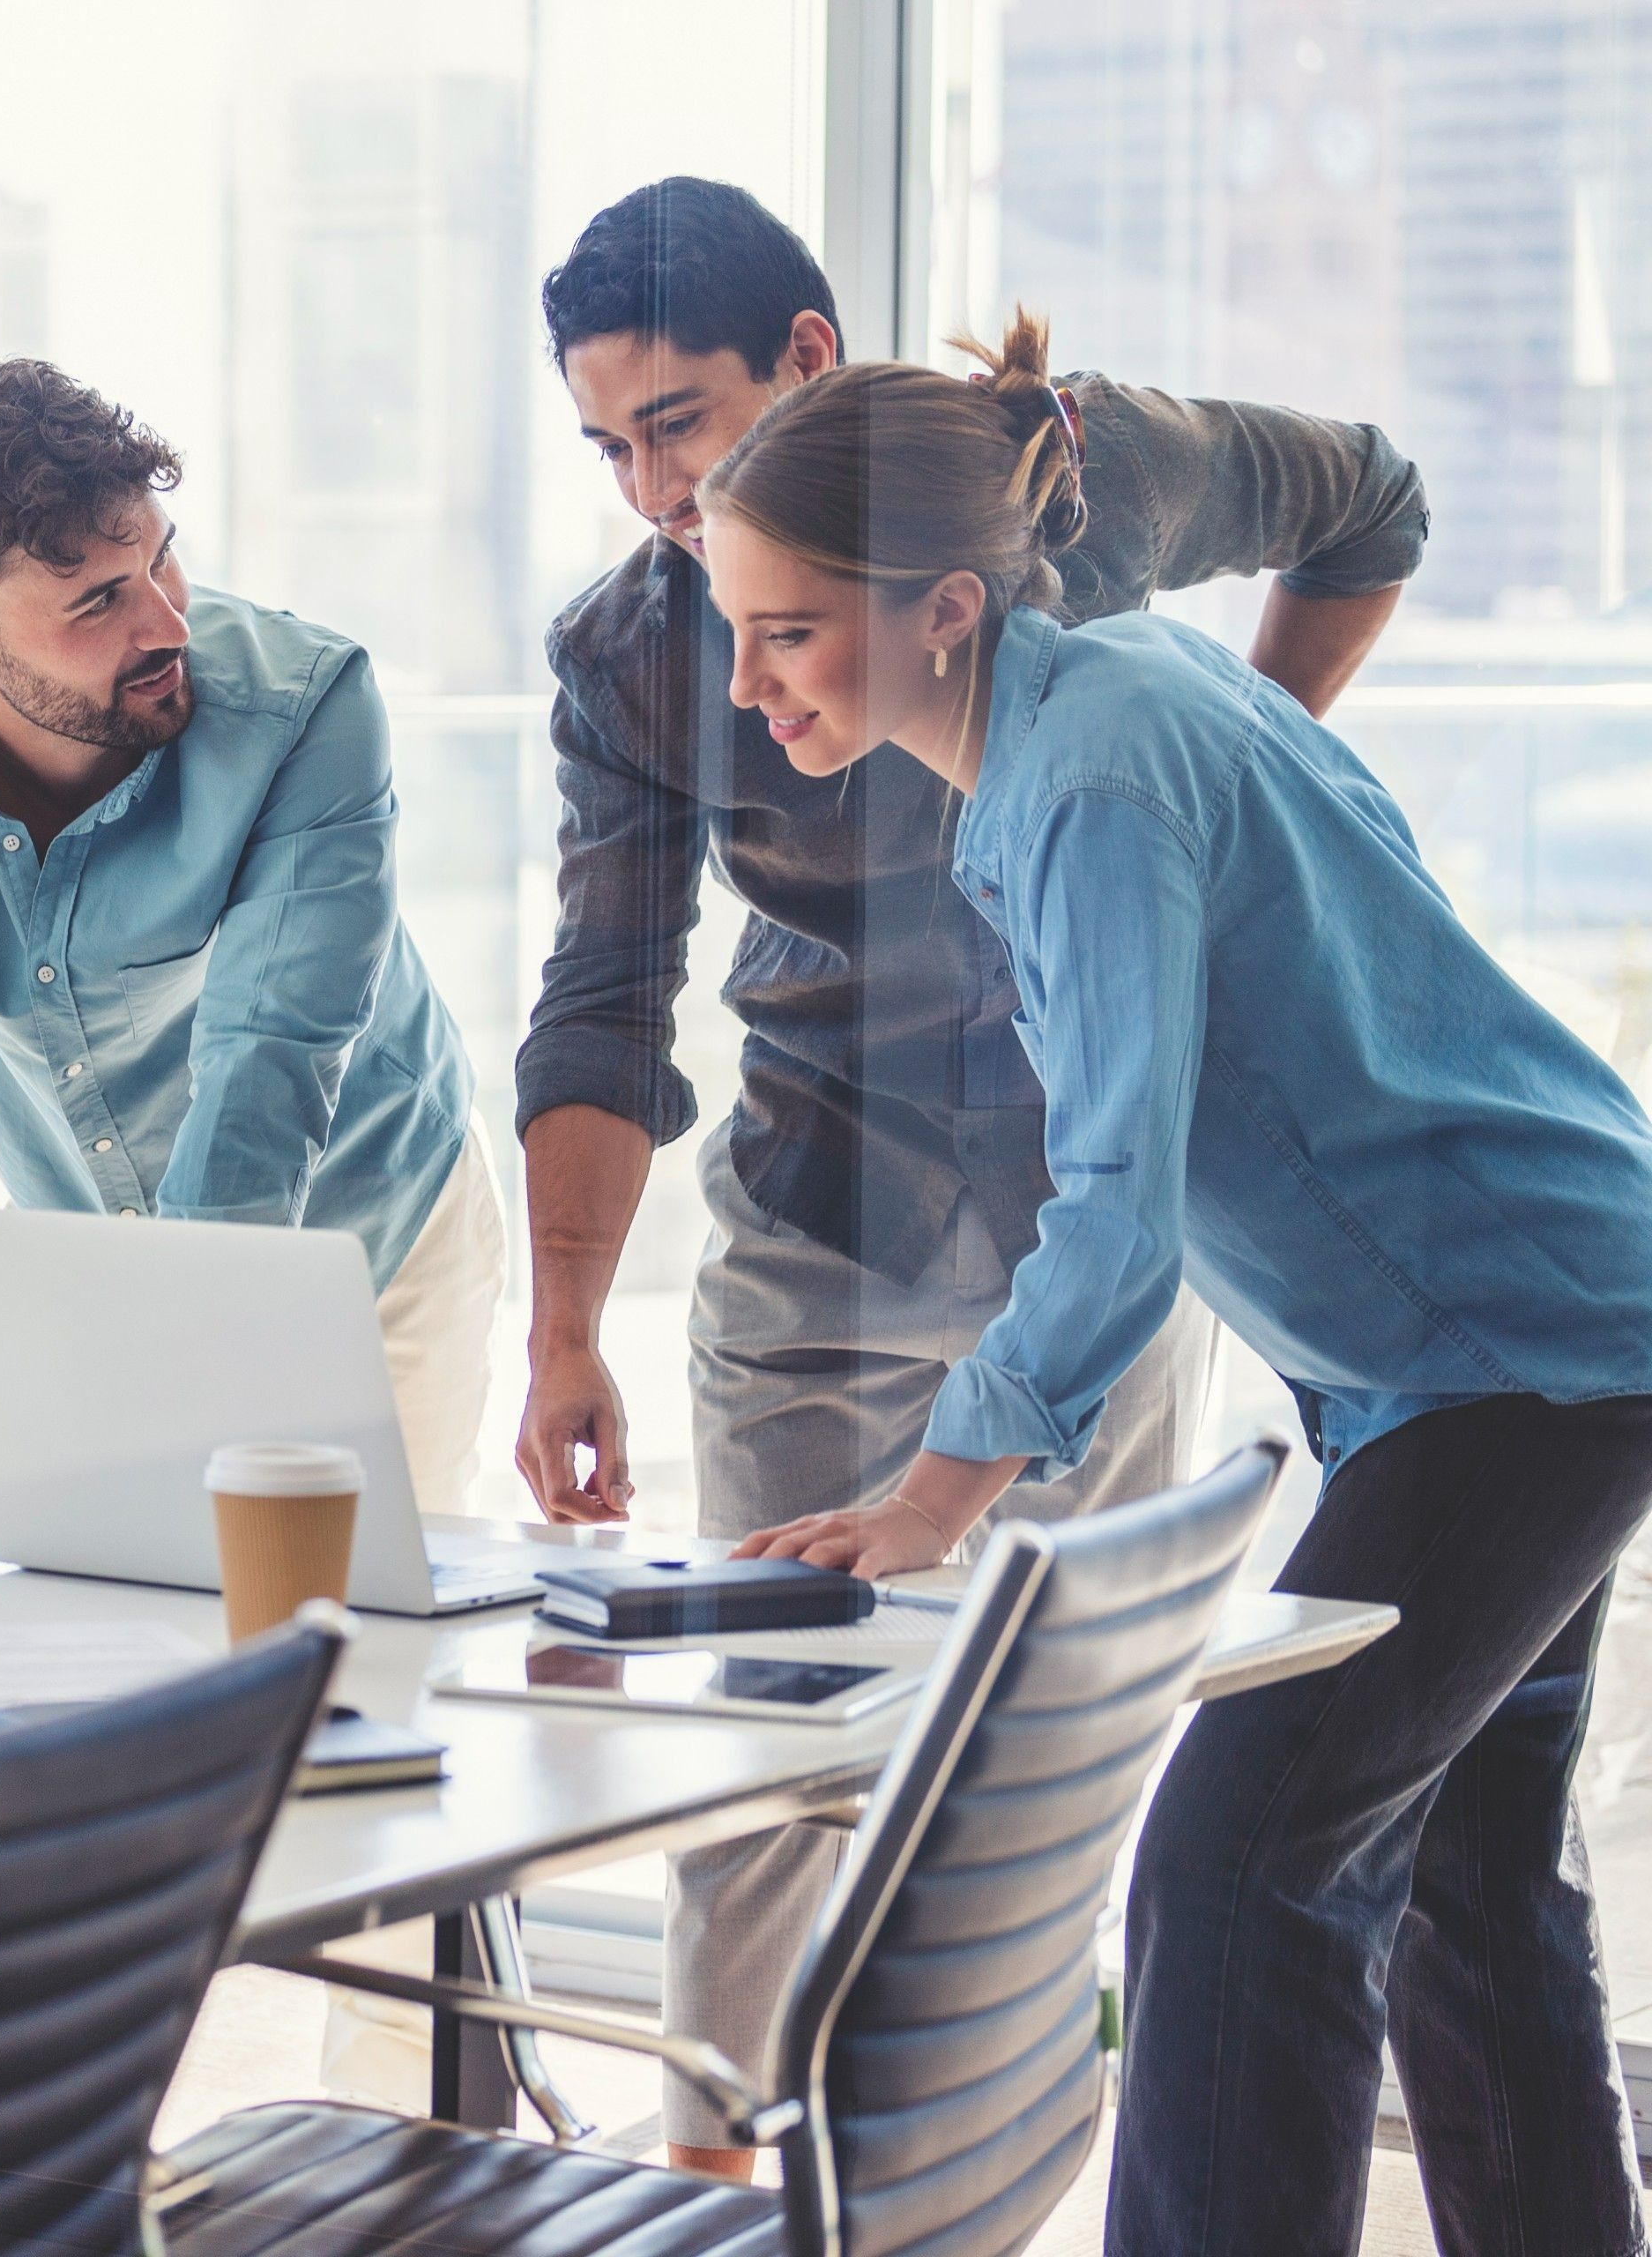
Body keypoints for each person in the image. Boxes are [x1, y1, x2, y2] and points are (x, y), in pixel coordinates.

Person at [703, 316, 1652, 2257]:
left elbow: (1119, 1205)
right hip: (1496, 1337)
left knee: (1242, 1855)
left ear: (944, 608)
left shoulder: (1091, 782)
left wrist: (932, 1495)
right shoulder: (1110, 702)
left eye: (786, 630)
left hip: (1522, 1355)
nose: (747, 680)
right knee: (1466, 1868)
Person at [511, 177, 1429, 2177]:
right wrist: (565, 1322)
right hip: (815, 1203)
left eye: (675, 422)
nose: (650, 490)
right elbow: (603, 994)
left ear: (809, 365)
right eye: (607, 445)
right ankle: (719, 2183)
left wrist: (1245, 758)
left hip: (1086, 1217)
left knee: (1054, 1751)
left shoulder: (1072, 479)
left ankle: (972, 2183)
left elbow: (1373, 496)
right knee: (761, 1755)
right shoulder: (633, 653)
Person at [0, 359, 490, 1508]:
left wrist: (171, 1373)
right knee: (109, 1632)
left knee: (349, 1626)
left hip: (364, 1231)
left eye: (160, 557)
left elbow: (267, 1056)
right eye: (97, 601)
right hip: (94, 1246)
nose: (166, 620)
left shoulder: (308, 707)